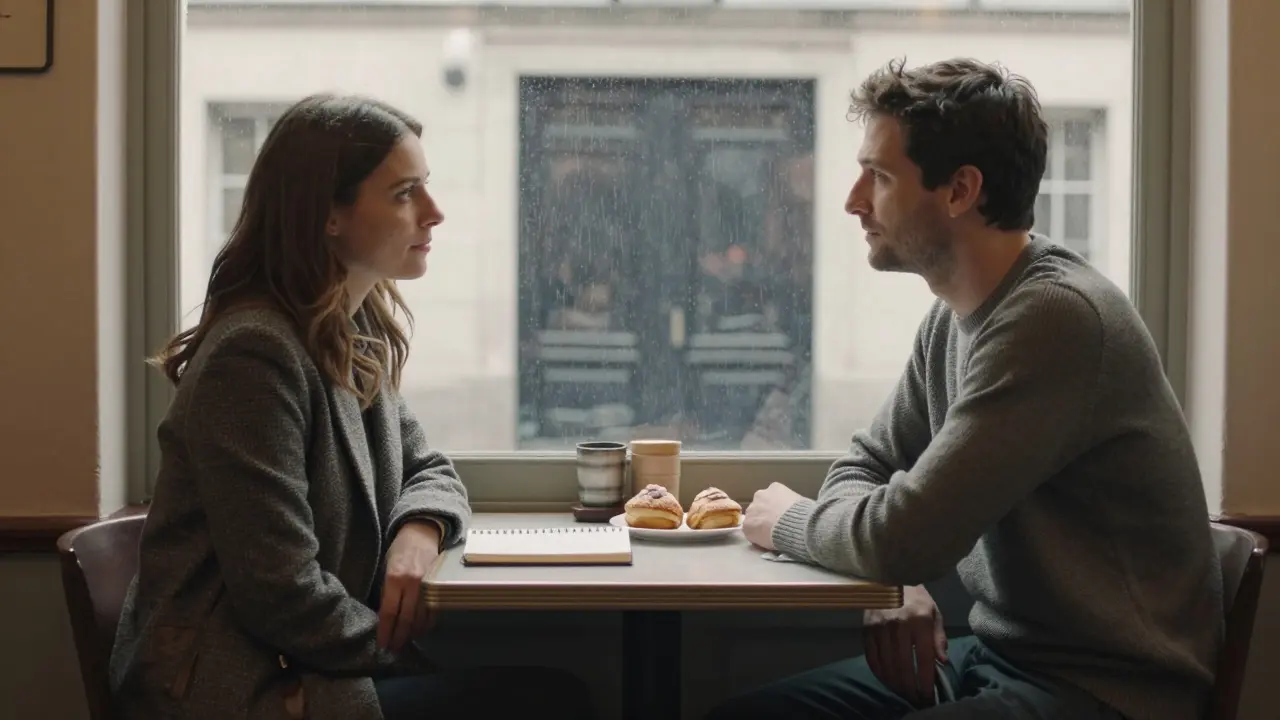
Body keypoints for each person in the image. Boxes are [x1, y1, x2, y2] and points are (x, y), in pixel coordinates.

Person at [708, 58, 1223, 720]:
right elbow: (866, 468)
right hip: (999, 662)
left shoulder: (1055, 319)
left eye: (882, 176)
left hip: (1104, 694)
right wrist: (891, 576)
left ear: (960, 191)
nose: (853, 200)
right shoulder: (955, 316)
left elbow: (904, 534)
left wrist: (788, 523)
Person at [109, 94, 596, 720]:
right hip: (242, 686)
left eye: (427, 188)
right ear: (327, 216)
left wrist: (418, 533)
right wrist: (406, 652)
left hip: (311, 662)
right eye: (404, 194)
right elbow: (280, 594)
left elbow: (431, 469)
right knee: (552, 701)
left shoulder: (345, 328)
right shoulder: (254, 356)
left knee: (549, 694)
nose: (434, 213)